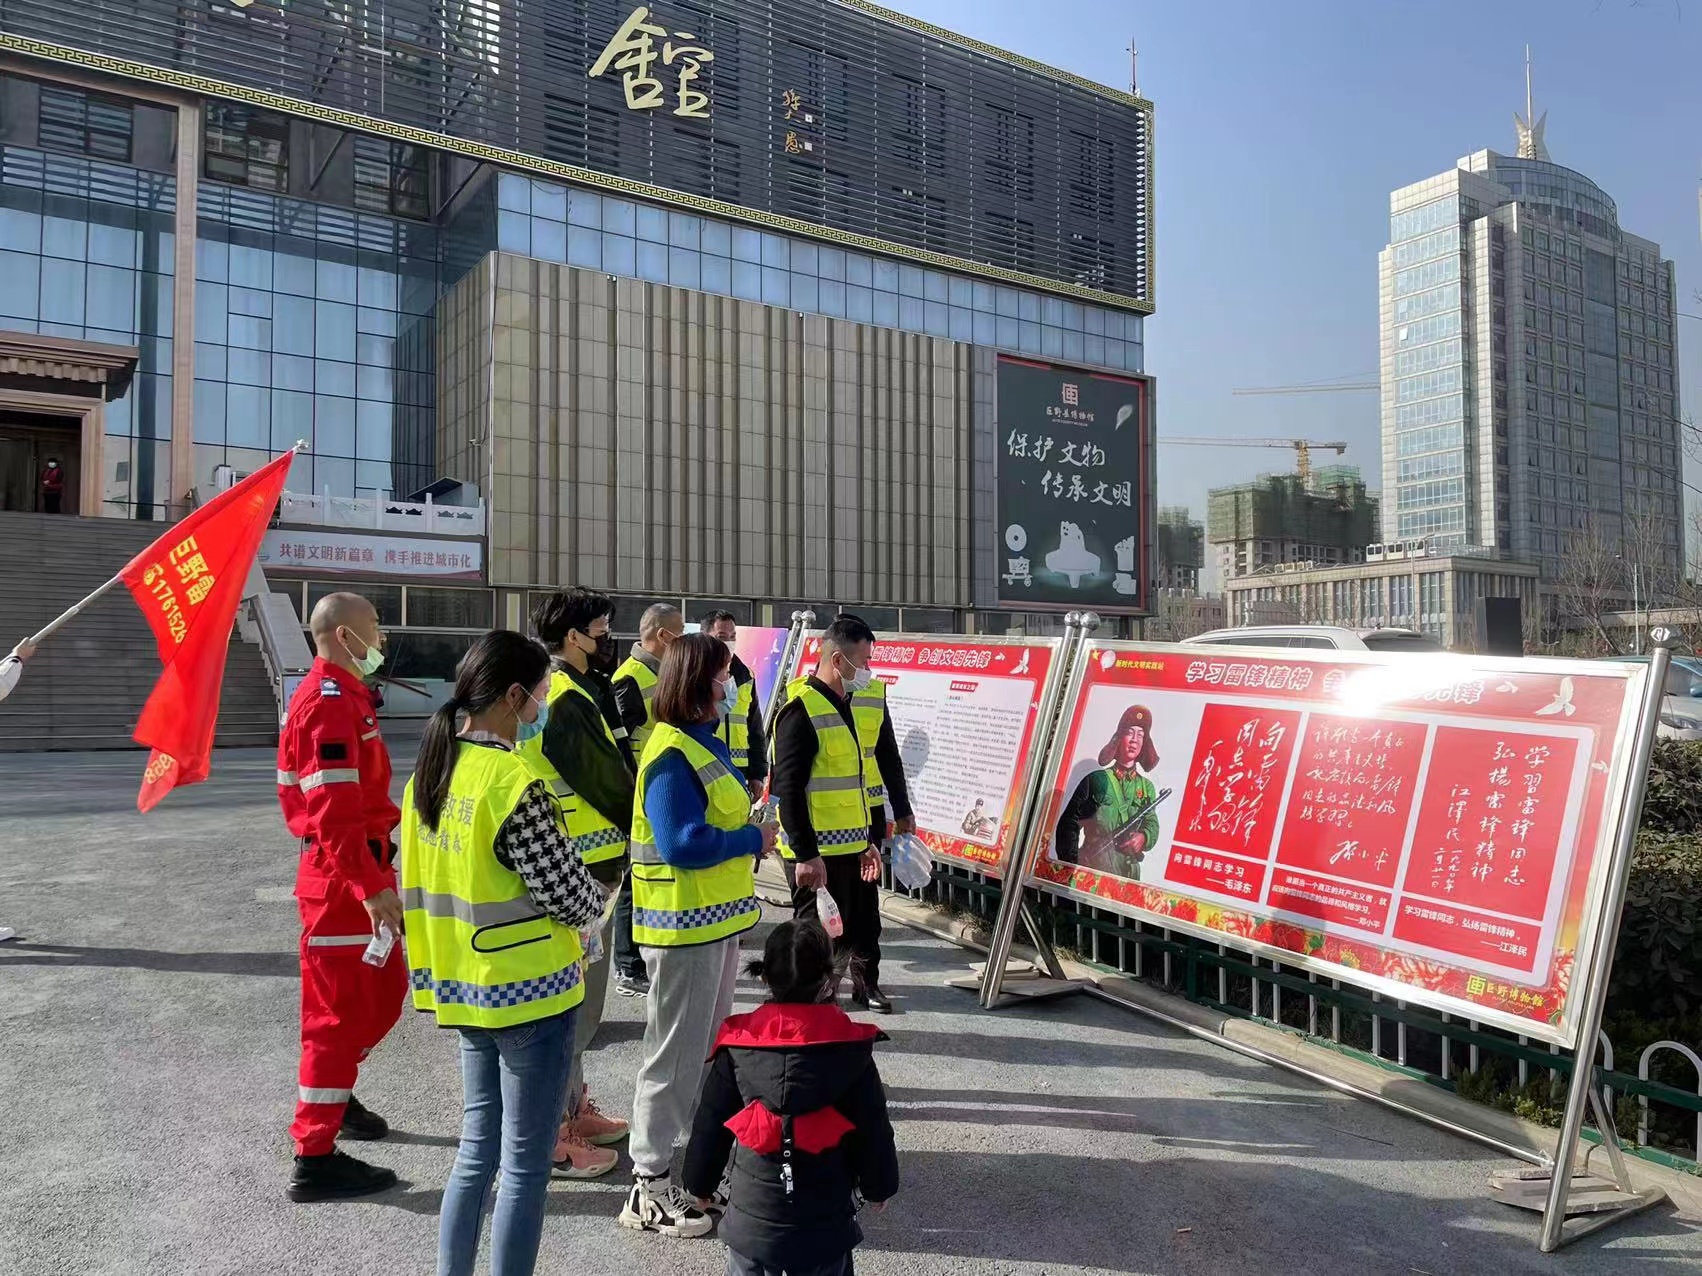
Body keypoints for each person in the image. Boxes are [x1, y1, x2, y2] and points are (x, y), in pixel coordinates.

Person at [400, 630, 609, 1276]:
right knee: (523, 1166)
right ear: (514, 696)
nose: (544, 704)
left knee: (475, 1153)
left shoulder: (430, 775)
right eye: (541, 692)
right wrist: (596, 907)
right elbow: (571, 896)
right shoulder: (512, 781)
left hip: (464, 989)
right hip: (530, 993)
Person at [621, 632, 775, 1239]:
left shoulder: (699, 742)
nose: (729, 685)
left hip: (712, 923)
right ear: (697, 683)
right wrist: (750, 840)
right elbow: (683, 842)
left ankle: (686, 1172)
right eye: (721, 675)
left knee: (701, 1052)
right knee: (673, 1058)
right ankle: (647, 1183)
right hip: (682, 927)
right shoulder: (671, 753)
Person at [275, 592, 405, 1202]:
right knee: (333, 1019)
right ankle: (315, 1154)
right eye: (375, 628)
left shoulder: (346, 696)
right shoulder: (326, 704)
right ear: (345, 635)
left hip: (356, 874)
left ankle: (337, 1091)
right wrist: (371, 887)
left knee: (380, 995)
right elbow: (332, 813)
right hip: (342, 884)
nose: (381, 639)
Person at [684, 920, 899, 1276]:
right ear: (830, 978)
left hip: (753, 1220)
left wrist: (700, 1184)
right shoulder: (849, 1048)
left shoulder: (738, 1045)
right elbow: (872, 1127)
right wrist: (879, 1186)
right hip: (824, 1220)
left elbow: (710, 1123)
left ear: (765, 976)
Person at [523, 587, 633, 1179]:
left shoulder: (574, 690)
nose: (607, 637)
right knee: (573, 1005)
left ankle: (572, 1108)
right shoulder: (564, 696)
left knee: (582, 1002)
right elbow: (608, 782)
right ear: (573, 637)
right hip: (582, 875)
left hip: (591, 870)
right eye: (601, 627)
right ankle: (556, 1131)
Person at [770, 616, 893, 1014]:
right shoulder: (800, 712)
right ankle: (811, 1012)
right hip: (816, 856)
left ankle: (862, 987)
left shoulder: (846, 705)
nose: (869, 671)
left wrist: (868, 842)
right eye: (864, 662)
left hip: (853, 848)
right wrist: (806, 854)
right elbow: (787, 790)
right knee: (816, 937)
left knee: (862, 927)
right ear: (837, 660)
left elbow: (855, 783)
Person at [1054, 704, 1162, 881]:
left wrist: (1144, 837)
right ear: (1119, 738)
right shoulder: (1096, 780)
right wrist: (1071, 867)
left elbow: (1151, 822)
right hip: (1094, 872)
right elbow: (1069, 824)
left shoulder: (1146, 787)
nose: (1135, 740)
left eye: (1140, 735)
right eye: (1130, 732)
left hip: (1128, 879)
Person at [701, 610, 768, 795]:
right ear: (705, 638)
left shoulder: (746, 676)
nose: (729, 643)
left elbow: (755, 729)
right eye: (722, 637)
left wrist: (757, 773)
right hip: (706, 768)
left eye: (733, 637)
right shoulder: (694, 675)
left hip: (740, 772)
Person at [613, 602, 685, 757]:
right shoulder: (629, 678)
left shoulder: (669, 671)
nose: (684, 640)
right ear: (663, 635)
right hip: (643, 773)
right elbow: (618, 738)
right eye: (681, 633)